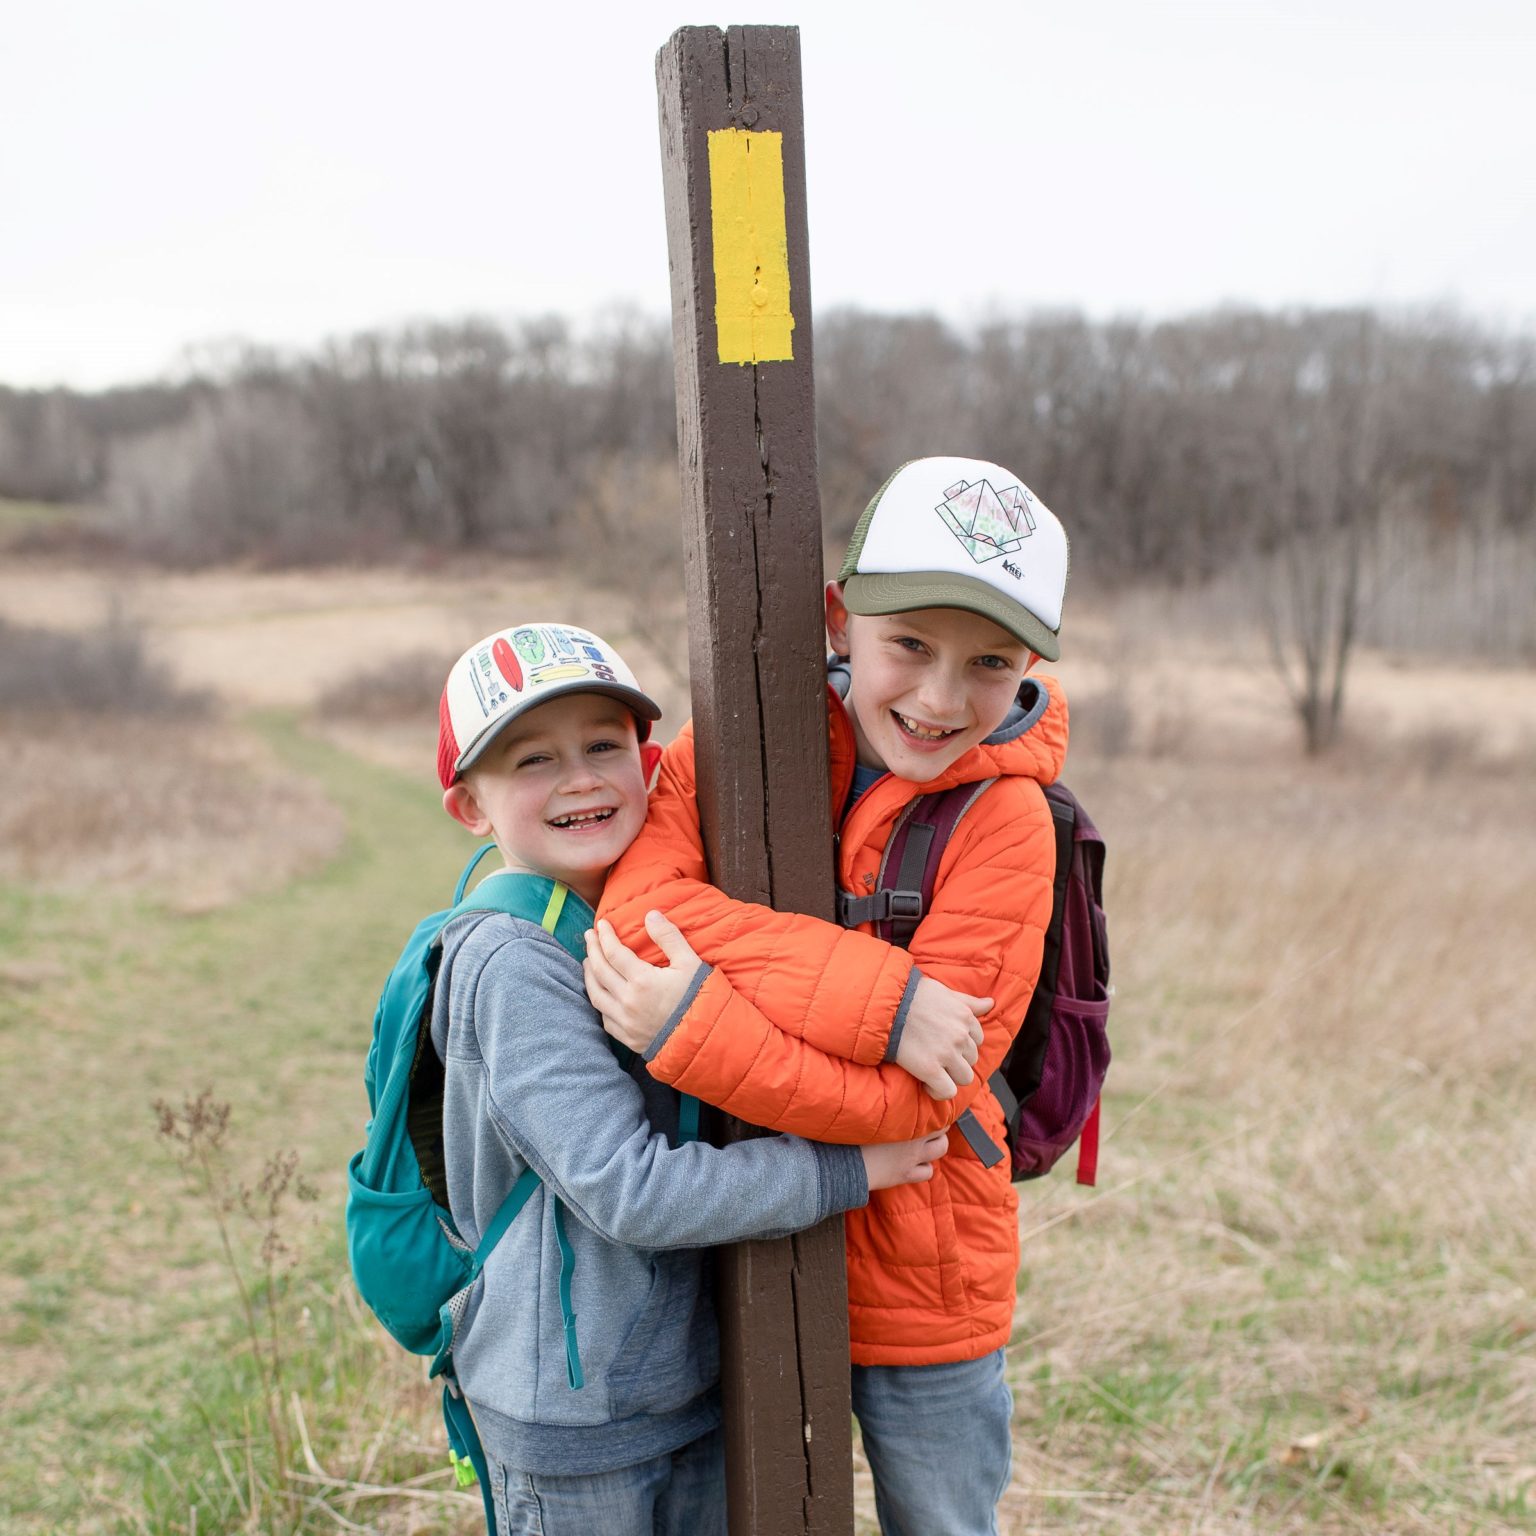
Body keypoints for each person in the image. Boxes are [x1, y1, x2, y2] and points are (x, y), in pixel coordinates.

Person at [585, 456, 1071, 1536]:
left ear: (1028, 662)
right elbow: (634, 921)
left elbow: (921, 1107)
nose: (943, 699)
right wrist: (884, 1000)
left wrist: (697, 1027)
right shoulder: (747, 748)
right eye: (909, 646)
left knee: (939, 1521)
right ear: (840, 616)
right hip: (739, 1242)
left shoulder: (1008, 824)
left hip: (925, 1271)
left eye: (988, 663)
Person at [430, 620, 948, 1536]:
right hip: (570, 1422)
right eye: (531, 762)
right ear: (471, 806)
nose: (581, 777)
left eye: (603, 745)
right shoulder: (511, 962)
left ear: (650, 760)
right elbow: (628, 1189)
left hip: (675, 1388)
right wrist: (846, 1172)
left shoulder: (643, 923)